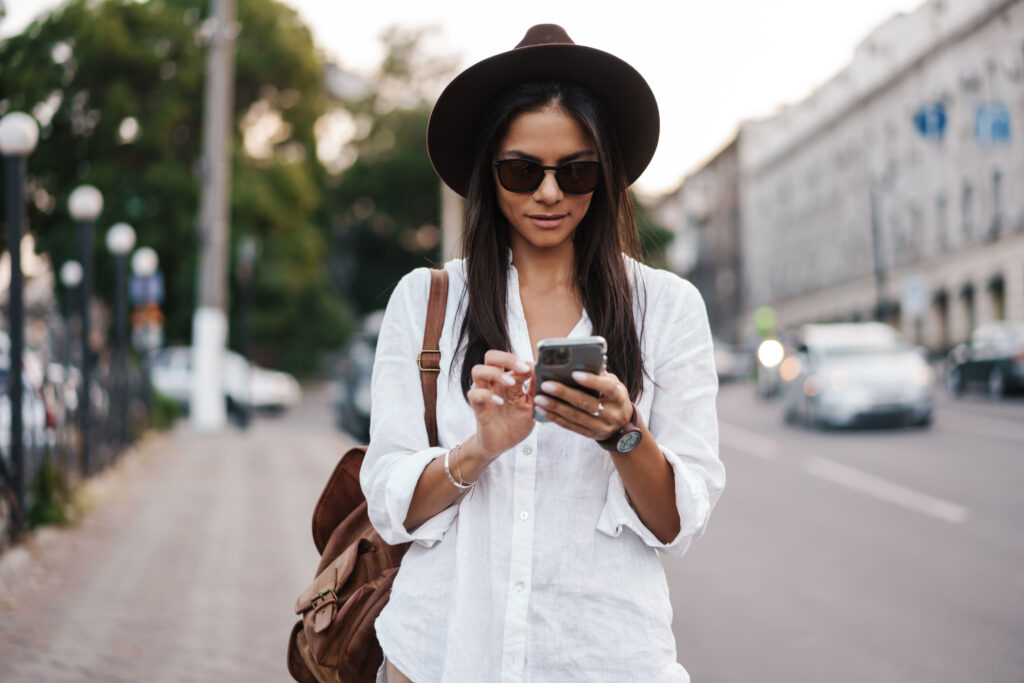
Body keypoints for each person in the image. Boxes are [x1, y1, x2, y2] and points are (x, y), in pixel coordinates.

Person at [361, 24, 724, 683]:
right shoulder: (427, 301)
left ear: (605, 174)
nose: (549, 193)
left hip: (604, 657)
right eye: (522, 170)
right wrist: (479, 449)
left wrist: (623, 434)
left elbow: (678, 523)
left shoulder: (668, 308)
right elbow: (391, 505)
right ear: (489, 173)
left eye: (576, 170)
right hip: (440, 654)